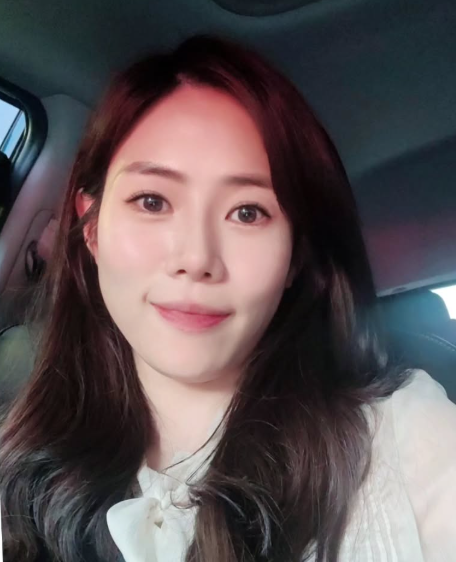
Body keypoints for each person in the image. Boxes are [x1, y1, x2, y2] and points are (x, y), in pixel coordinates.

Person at [1, 34, 455, 562]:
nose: (197, 258)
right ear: (92, 227)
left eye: (248, 212)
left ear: (295, 257)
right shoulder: (15, 456)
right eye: (152, 201)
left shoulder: (407, 438)